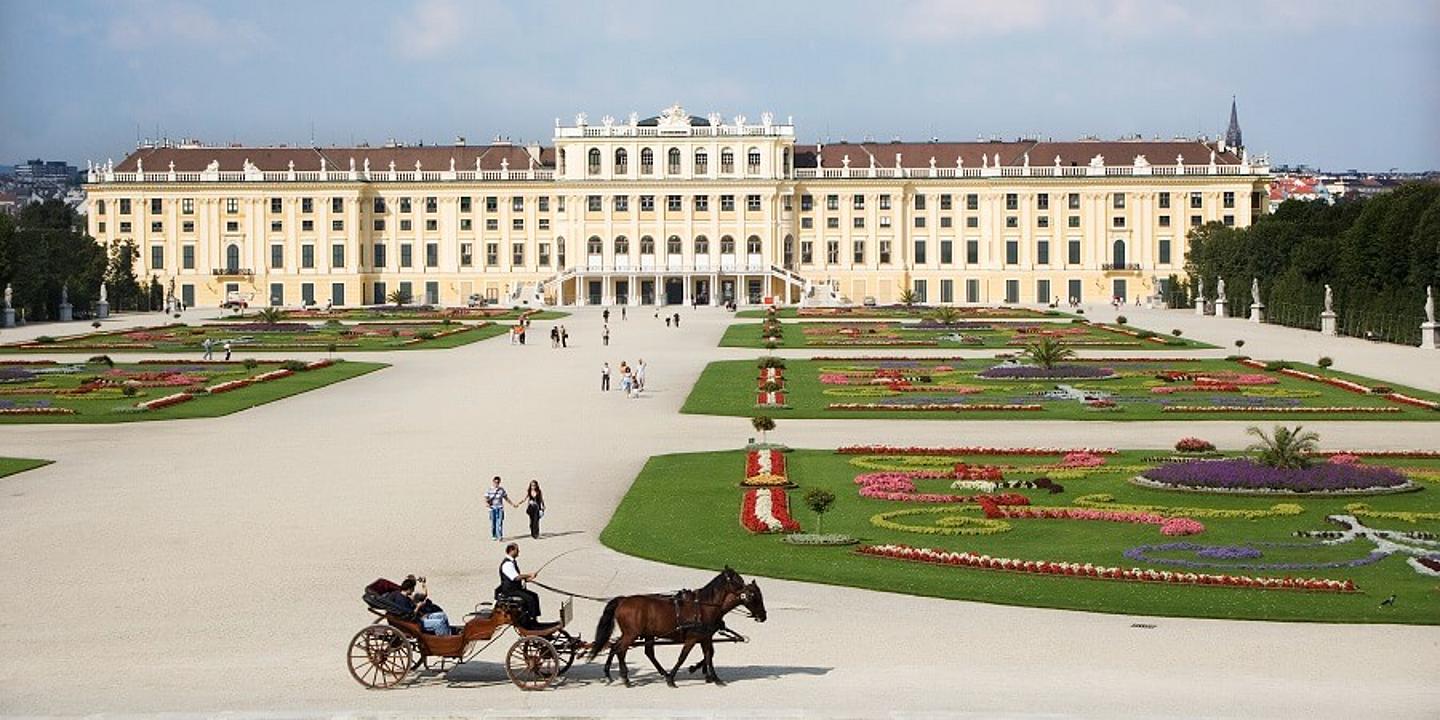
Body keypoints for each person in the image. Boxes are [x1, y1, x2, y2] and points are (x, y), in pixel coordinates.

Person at [497, 543, 545, 627]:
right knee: (530, 599)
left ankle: (534, 619)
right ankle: (531, 621)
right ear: (511, 550)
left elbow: (516, 577)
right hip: (510, 591)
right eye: (517, 549)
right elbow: (515, 577)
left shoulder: (511, 562)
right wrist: (529, 575)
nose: (518, 551)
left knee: (534, 595)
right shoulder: (507, 564)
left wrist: (526, 579)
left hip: (515, 588)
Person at [485, 476, 515, 541]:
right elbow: (486, 498)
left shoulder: (501, 490)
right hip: (492, 508)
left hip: (500, 508)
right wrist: (487, 504)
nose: (496, 483)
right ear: (493, 481)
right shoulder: (489, 489)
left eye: (498, 482)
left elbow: (506, 498)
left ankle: (500, 536)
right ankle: (494, 535)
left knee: (500, 522)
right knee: (493, 523)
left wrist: (512, 504)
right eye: (495, 482)